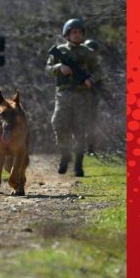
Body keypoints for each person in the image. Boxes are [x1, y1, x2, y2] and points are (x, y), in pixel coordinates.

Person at [45, 19, 102, 177]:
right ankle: (65, 154)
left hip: (82, 96)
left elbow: (98, 70)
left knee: (80, 130)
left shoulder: (88, 52)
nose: (77, 35)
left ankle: (78, 164)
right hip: (63, 95)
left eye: (79, 32)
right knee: (58, 124)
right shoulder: (60, 50)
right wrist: (59, 67)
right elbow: (47, 69)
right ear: (67, 34)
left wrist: (91, 79)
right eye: (73, 32)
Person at [83, 39, 101, 155]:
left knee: (91, 123)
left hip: (92, 97)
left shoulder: (96, 66)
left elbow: (99, 77)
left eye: (93, 52)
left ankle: (90, 148)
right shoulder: (81, 64)